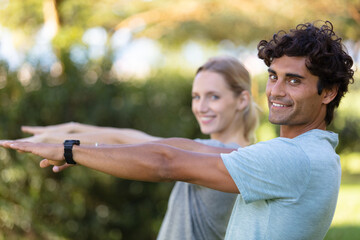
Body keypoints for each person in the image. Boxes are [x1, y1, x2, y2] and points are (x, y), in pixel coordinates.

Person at [1, 20, 355, 240]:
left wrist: (70, 150)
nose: (276, 90)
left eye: (294, 81)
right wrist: (77, 139)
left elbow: (165, 161)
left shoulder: (294, 158)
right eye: (274, 76)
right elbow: (181, 146)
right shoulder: (306, 154)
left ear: (328, 91)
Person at [11, 56, 261, 240]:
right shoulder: (225, 153)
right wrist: (73, 129)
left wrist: (70, 144)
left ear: (242, 100)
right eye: (196, 96)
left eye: (213, 96)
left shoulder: (227, 155)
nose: (201, 106)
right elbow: (133, 138)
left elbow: (138, 145)